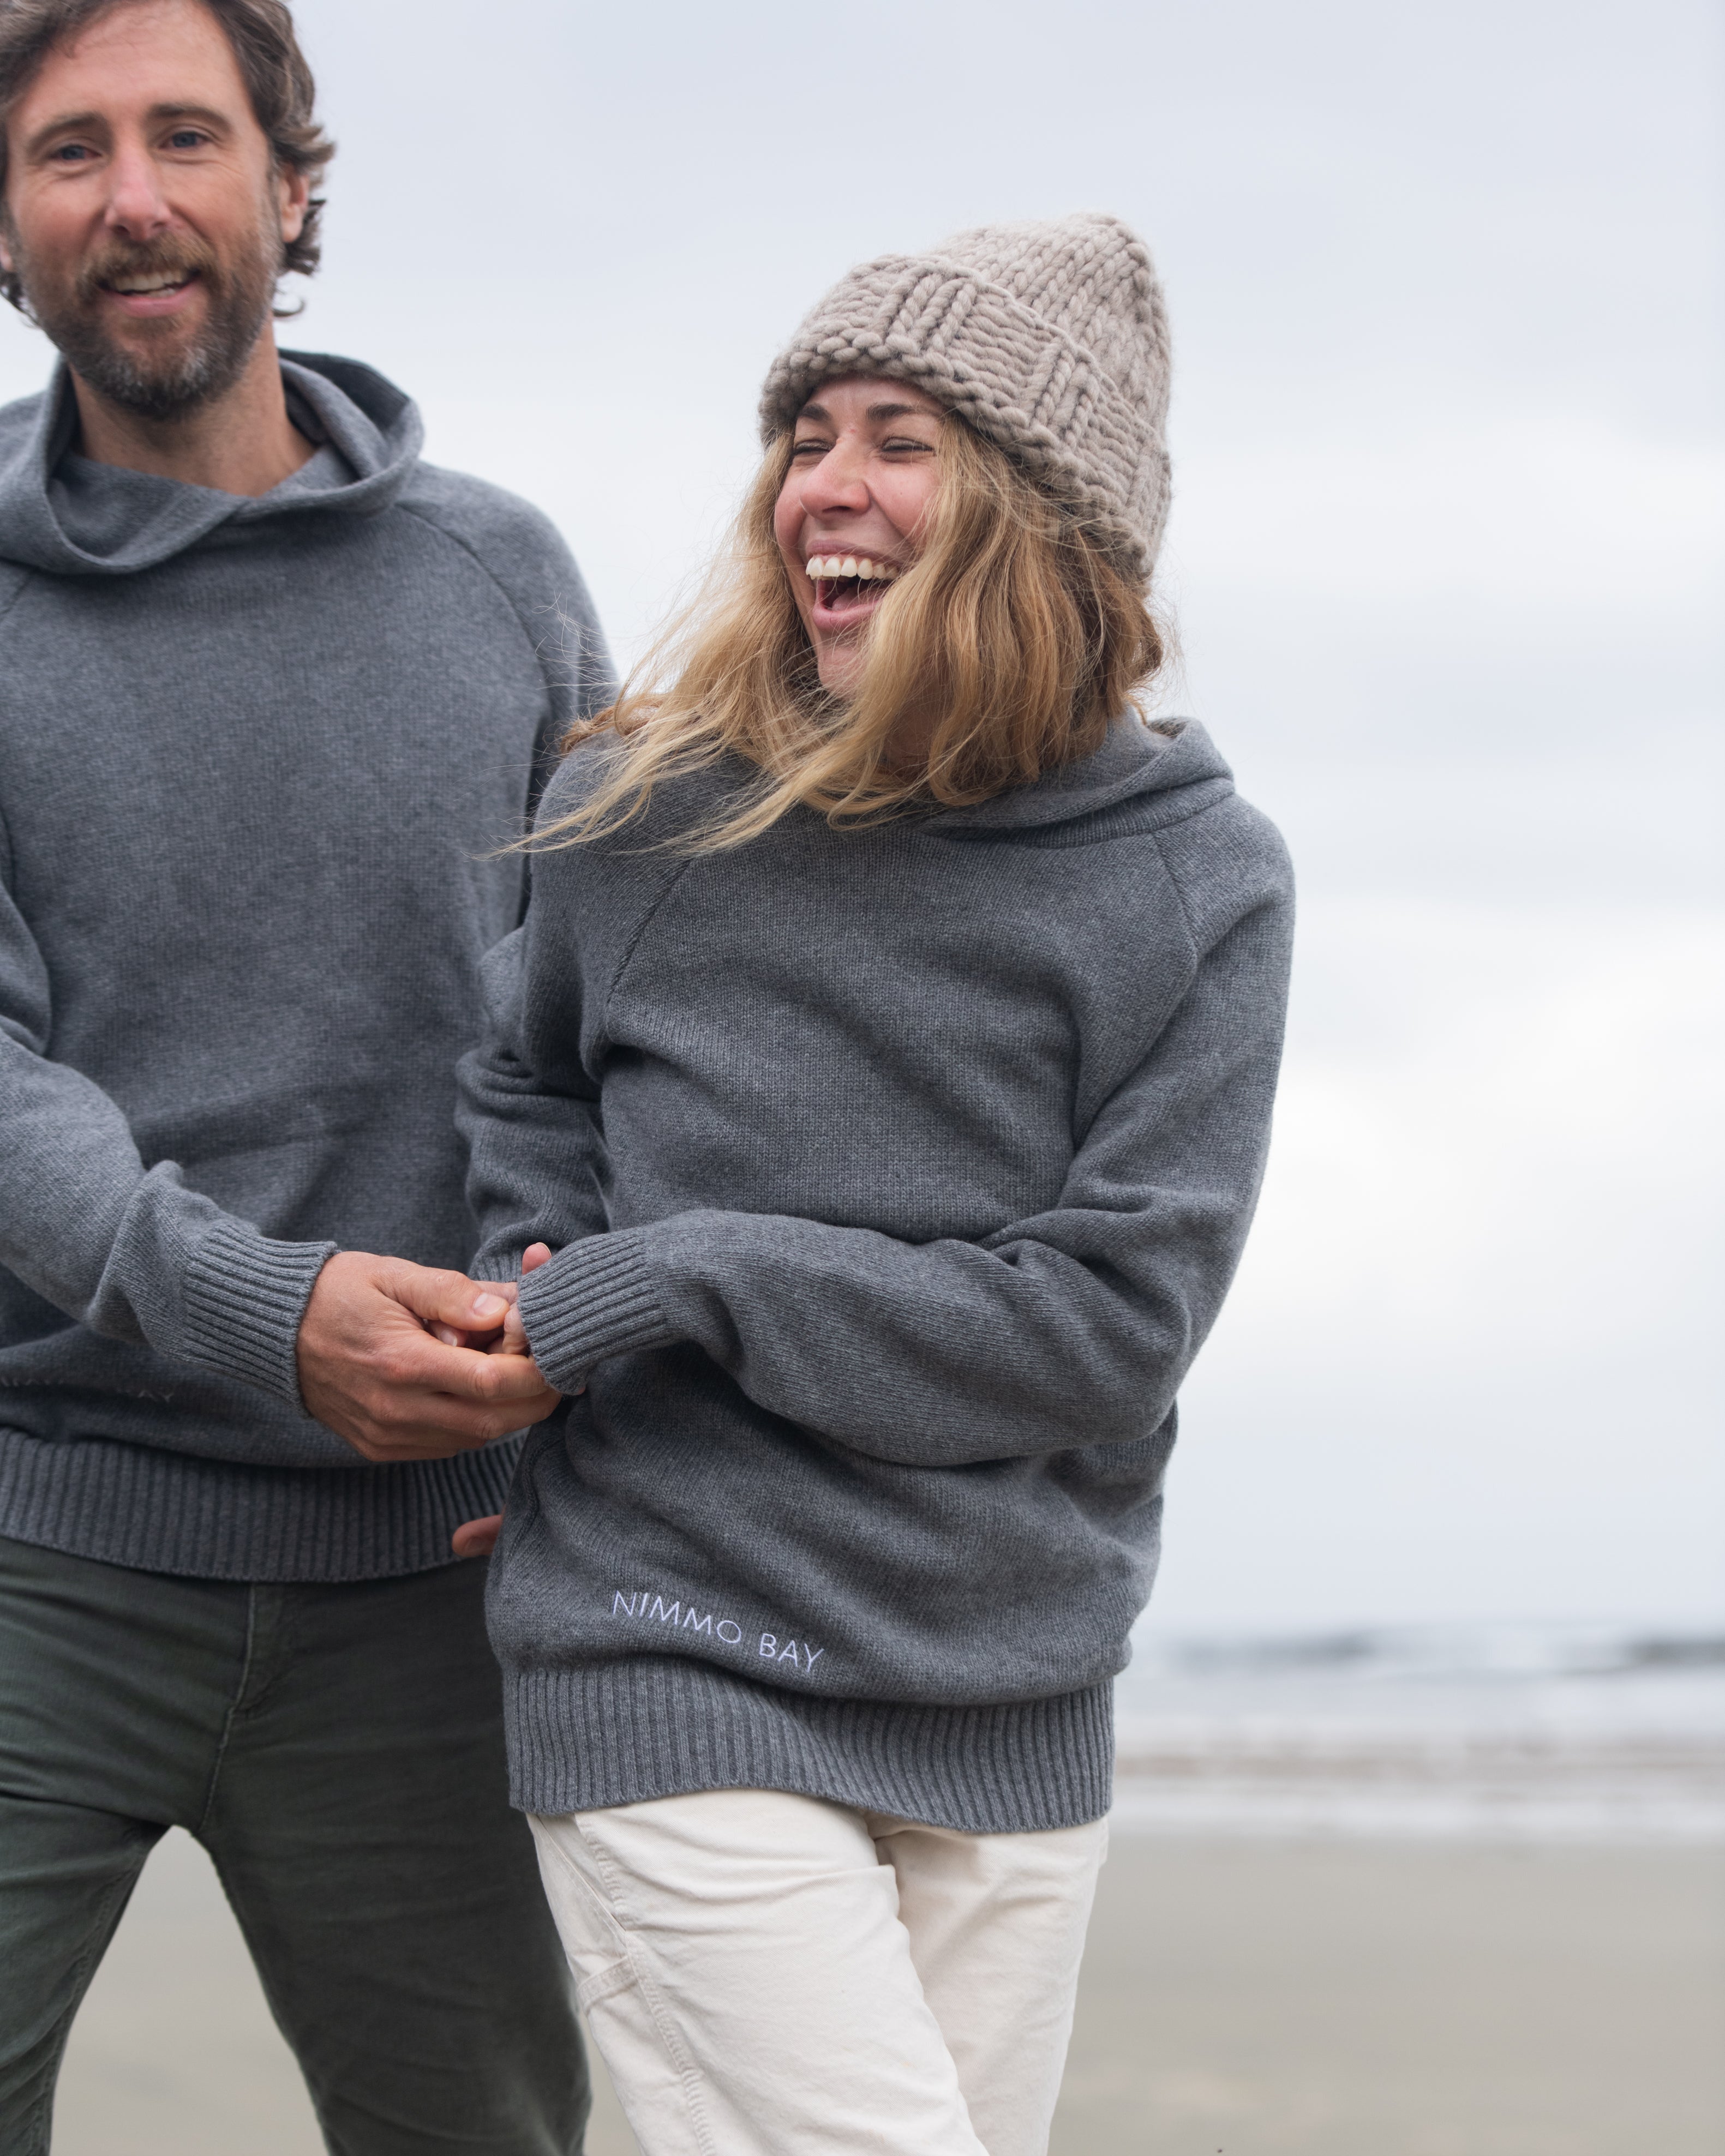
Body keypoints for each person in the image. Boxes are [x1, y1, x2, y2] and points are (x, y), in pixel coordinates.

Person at [454, 213, 1296, 2156]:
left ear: (1039, 512)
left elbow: (1103, 1331)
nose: (822, 487)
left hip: (1012, 1681)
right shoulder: (642, 814)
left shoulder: (1197, 874)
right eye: (805, 433)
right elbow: (524, 1080)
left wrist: (685, 1275)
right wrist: (532, 1296)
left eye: (899, 436)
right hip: (668, 1641)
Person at [0, 1, 609, 2147]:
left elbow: (598, 1019)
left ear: (292, 184)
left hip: (426, 1573)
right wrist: (268, 1310)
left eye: (187, 135)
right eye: (70, 150)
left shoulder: (498, 576)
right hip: (34, 1526)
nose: (135, 197)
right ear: (9, 218)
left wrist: (560, 1289)